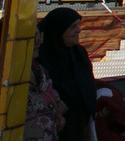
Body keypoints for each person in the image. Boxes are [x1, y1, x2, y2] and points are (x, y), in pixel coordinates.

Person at [0, 23, 66, 141]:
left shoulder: (38, 70)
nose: (39, 41)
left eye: (40, 36)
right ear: (13, 41)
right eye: (34, 37)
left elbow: (55, 102)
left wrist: (57, 116)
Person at [36, 8, 96, 141]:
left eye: (78, 26)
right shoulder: (40, 57)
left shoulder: (78, 54)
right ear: (58, 30)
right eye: (73, 27)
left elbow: (87, 85)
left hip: (78, 125)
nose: (79, 30)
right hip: (51, 127)